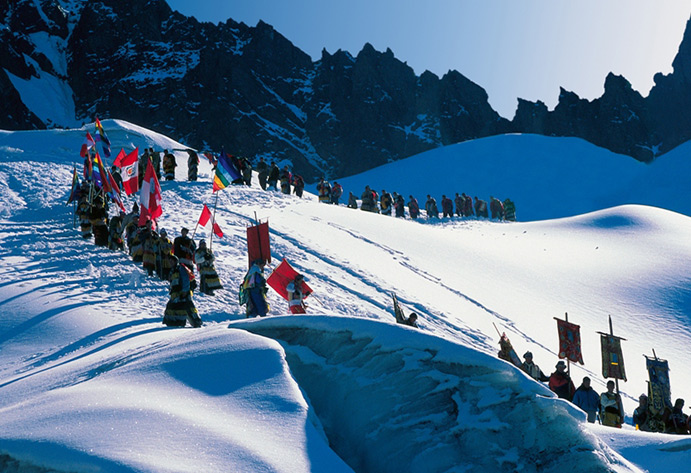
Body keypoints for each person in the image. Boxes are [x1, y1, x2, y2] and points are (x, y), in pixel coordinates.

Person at [163, 256, 202, 328]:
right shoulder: (173, 270)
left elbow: (185, 279)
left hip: (183, 292)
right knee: (173, 307)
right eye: (170, 261)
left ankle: (195, 322)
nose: (170, 262)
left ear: (175, 261)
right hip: (175, 293)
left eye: (172, 261)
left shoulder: (180, 268)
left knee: (187, 307)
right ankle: (173, 322)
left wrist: (185, 290)